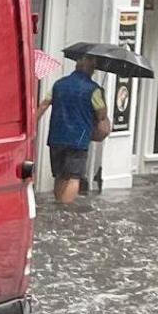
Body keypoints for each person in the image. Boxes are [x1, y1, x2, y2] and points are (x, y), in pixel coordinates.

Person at [37, 55, 110, 205]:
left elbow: (43, 105)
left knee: (60, 175)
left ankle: (58, 205)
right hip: (78, 139)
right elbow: (101, 115)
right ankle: (64, 211)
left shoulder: (58, 84)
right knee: (73, 177)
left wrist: (31, 125)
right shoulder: (93, 89)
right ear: (91, 69)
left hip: (56, 138)